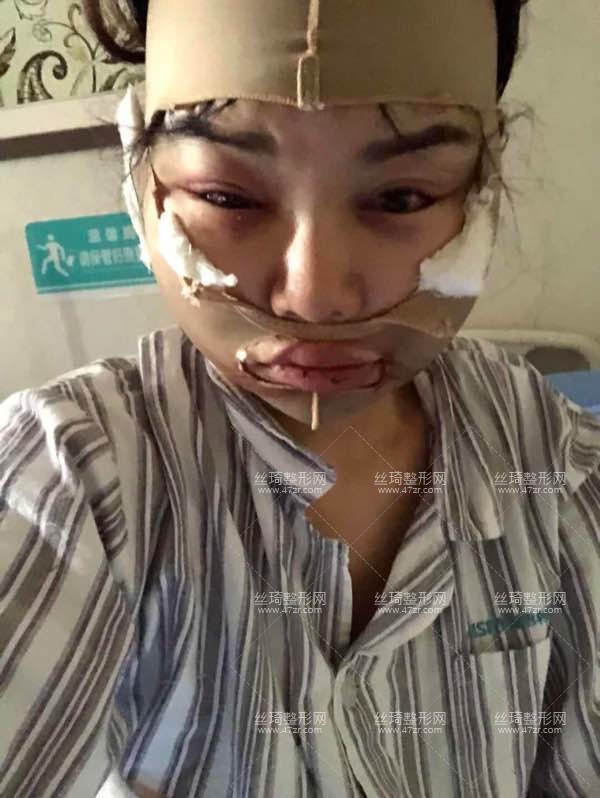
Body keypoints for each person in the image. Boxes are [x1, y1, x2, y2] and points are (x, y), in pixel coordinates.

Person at [1, 1, 599, 796]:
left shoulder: (555, 466)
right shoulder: (70, 477)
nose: (314, 297)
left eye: (402, 199)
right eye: (228, 198)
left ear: (480, 188)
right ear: (143, 185)